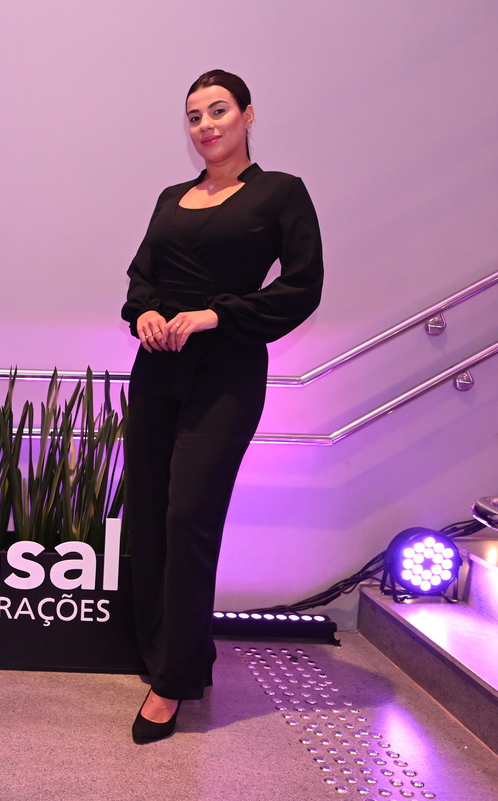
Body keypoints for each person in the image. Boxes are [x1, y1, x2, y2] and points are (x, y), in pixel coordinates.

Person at [120, 70, 323, 742]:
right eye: (194, 116)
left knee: (190, 516)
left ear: (247, 115)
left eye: (218, 110)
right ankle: (168, 654)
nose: (205, 125)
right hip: (158, 368)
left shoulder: (280, 192)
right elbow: (142, 276)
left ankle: (172, 684)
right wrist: (145, 313)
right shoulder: (171, 198)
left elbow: (302, 286)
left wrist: (215, 314)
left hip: (227, 372)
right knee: (151, 512)